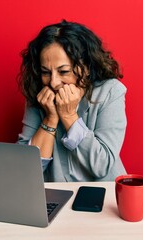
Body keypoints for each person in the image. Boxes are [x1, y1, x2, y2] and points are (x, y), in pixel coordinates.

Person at [16, 20, 127, 181]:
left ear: (86, 67)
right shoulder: (39, 95)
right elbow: (24, 172)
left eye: (64, 71)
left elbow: (101, 166)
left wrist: (69, 116)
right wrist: (50, 119)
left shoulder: (111, 91)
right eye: (45, 72)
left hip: (103, 195)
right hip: (55, 196)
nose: (53, 82)